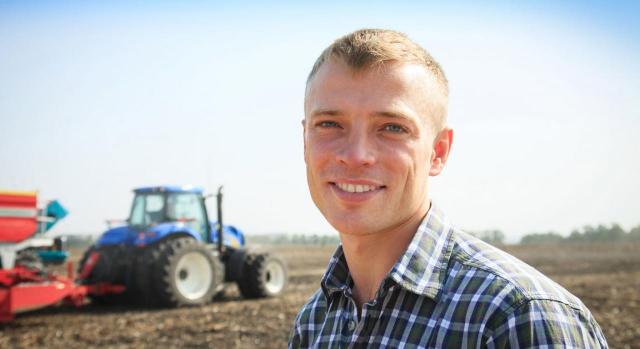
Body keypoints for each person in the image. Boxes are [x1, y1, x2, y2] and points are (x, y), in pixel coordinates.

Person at [289, 29, 608, 348]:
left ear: (438, 152)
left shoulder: (519, 316)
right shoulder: (315, 322)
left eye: (392, 128)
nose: (356, 156)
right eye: (329, 124)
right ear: (305, 141)